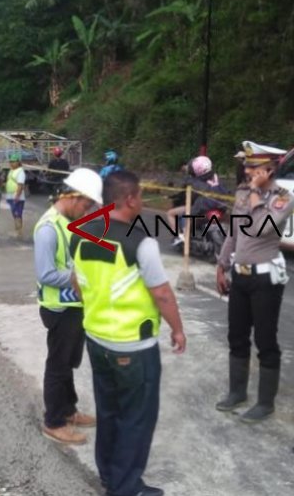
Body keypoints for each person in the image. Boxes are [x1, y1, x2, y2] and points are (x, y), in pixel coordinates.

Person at [70, 170, 186, 496]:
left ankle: (109, 475)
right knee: (136, 418)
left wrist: (97, 310)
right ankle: (125, 488)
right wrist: (177, 329)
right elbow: (162, 294)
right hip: (133, 347)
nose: (143, 201)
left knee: (109, 411)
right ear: (131, 199)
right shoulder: (140, 242)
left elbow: (77, 283)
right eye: (141, 195)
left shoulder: (81, 235)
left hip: (96, 340)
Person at [215, 141, 294, 423]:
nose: (247, 171)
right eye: (247, 166)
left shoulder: (282, 198)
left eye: (254, 167)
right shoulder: (242, 193)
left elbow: (262, 229)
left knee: (265, 339)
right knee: (236, 336)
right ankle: (237, 391)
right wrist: (222, 265)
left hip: (266, 278)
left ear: (270, 169)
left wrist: (257, 199)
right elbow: (234, 233)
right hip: (241, 274)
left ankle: (265, 402)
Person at [34, 168, 103, 445]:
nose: (87, 211)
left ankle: (69, 409)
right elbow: (45, 273)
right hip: (58, 309)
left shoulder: (67, 220)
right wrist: (79, 277)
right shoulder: (48, 229)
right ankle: (53, 421)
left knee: (69, 362)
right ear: (73, 197)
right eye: (86, 205)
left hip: (74, 305)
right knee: (58, 365)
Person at [167, 155, 229, 245]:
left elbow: (185, 192)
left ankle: (182, 237)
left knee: (173, 214)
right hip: (220, 207)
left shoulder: (194, 182)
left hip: (202, 207)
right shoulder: (215, 177)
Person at [6, 153, 27, 238]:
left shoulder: (20, 172)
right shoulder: (11, 170)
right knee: (14, 213)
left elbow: (20, 185)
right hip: (10, 196)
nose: (11, 163)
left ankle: (19, 231)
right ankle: (17, 229)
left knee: (18, 213)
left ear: (18, 162)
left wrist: (17, 196)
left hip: (17, 197)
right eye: (10, 162)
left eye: (13, 162)